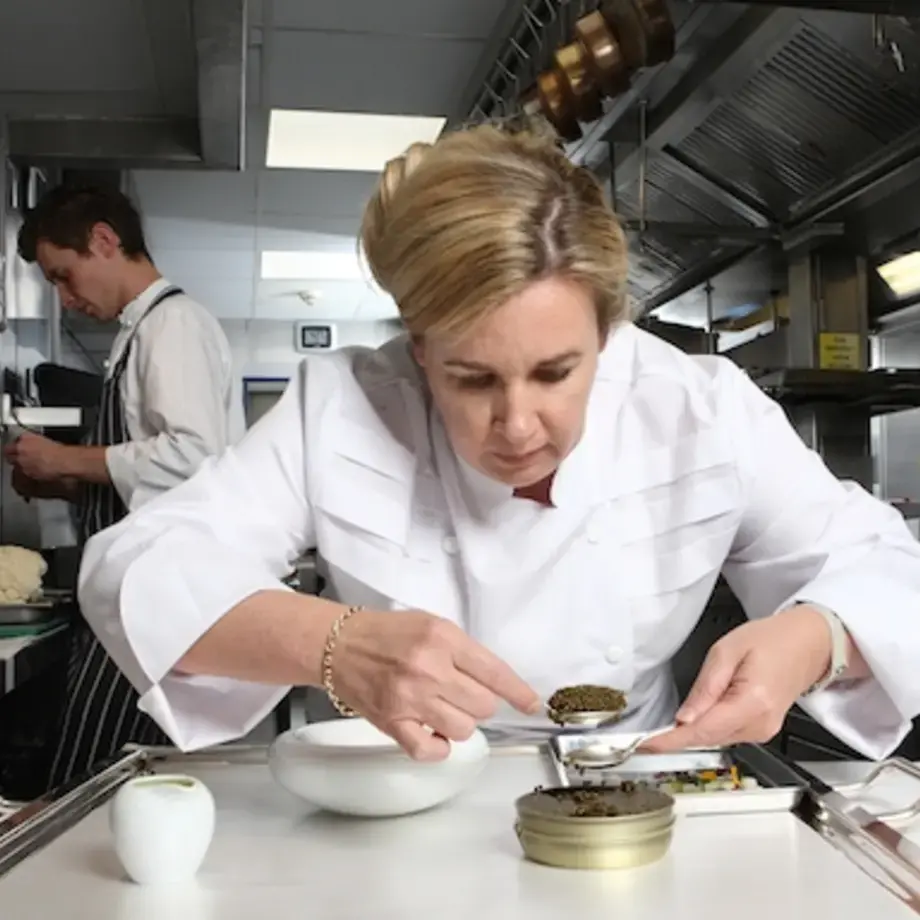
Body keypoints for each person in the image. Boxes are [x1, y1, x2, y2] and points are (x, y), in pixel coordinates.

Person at [79, 125, 920, 767]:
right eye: (472, 380)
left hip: (639, 782)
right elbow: (134, 568)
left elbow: (888, 562)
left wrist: (818, 638)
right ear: (417, 350)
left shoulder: (699, 408)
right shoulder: (339, 407)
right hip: (407, 792)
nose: (518, 426)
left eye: (557, 372)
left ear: (608, 334)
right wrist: (332, 645)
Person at [6, 184, 235, 787]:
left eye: (65, 274)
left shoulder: (174, 324)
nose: (65, 297)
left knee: (102, 772)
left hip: (156, 597)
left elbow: (193, 455)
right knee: (109, 771)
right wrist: (62, 482)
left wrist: (69, 458)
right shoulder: (138, 334)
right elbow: (149, 481)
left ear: (104, 241)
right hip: (128, 593)